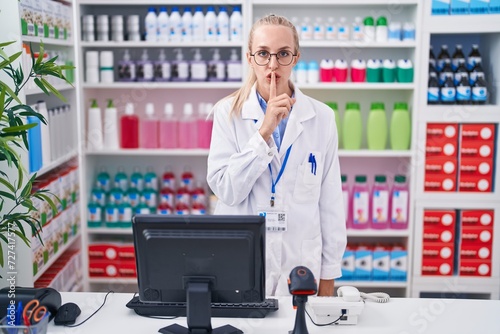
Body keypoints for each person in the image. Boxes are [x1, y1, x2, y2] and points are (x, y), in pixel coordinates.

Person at [207, 14, 346, 297]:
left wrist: (329, 276)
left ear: (296, 57)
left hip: (300, 266)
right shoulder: (227, 113)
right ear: (250, 58)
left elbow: (330, 202)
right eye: (263, 54)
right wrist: (264, 132)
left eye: (283, 54)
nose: (273, 64)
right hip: (240, 264)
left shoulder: (321, 117)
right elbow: (225, 190)